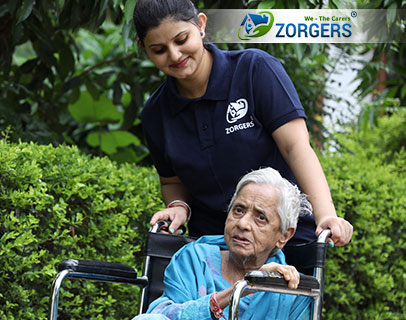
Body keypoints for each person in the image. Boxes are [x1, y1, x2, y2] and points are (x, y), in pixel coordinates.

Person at [51, 168, 314, 320]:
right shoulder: (193, 258)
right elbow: (160, 319)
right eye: (238, 210)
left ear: (284, 235)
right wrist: (233, 293)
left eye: (260, 217)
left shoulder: (293, 292)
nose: (243, 224)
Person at [134, 0, 353, 246]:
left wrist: (326, 215)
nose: (175, 55)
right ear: (144, 48)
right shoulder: (155, 113)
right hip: (211, 248)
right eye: (159, 50)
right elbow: (172, 181)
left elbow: (296, 148)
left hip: (285, 240)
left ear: (201, 25)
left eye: (182, 40)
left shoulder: (254, 70)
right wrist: (178, 206)